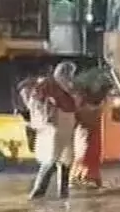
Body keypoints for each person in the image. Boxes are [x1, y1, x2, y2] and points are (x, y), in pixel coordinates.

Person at [20, 61, 79, 200]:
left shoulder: (68, 86)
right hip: (55, 127)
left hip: (67, 126)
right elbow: (35, 102)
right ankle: (37, 193)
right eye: (69, 72)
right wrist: (46, 116)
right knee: (51, 159)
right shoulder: (48, 85)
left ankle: (63, 194)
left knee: (66, 160)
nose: (70, 76)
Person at [71, 80, 108, 188]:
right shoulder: (88, 109)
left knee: (88, 156)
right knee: (88, 156)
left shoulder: (83, 108)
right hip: (87, 135)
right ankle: (86, 178)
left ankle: (83, 178)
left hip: (86, 135)